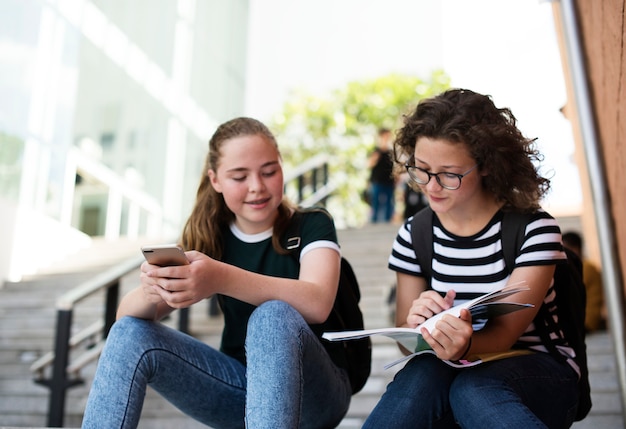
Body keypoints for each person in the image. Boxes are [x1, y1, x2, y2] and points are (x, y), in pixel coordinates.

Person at [81, 117, 352, 428]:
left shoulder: (313, 224)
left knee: (273, 315)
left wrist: (220, 277)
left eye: (269, 171)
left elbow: (318, 303)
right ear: (215, 180)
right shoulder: (212, 236)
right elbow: (125, 321)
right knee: (129, 334)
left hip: (317, 393)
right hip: (241, 389)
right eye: (239, 176)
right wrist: (152, 288)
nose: (257, 187)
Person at [363, 89, 580, 428]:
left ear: (487, 167)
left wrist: (461, 345)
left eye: (449, 174)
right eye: (420, 170)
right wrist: (417, 325)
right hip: (453, 370)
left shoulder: (534, 229)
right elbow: (409, 345)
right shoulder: (414, 234)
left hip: (539, 373)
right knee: (421, 373)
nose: (432, 186)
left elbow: (504, 335)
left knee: (473, 387)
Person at [562, 230, 605, 332]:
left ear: (575, 249)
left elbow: (568, 292)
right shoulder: (583, 266)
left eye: (564, 250)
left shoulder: (586, 268)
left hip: (586, 322)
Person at [367, 127, 396, 222]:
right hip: (377, 181)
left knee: (389, 203)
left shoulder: (391, 152)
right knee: (375, 202)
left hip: (389, 181)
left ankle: (387, 221)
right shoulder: (375, 151)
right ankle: (374, 221)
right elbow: (369, 164)